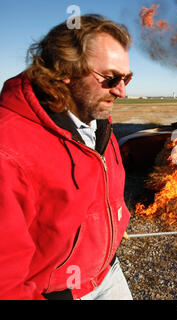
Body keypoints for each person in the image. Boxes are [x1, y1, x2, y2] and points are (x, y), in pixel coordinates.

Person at [0, 14, 133, 300]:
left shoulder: (98, 123)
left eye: (126, 78)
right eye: (111, 78)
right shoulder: (8, 148)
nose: (122, 91)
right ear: (66, 71)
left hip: (108, 274)